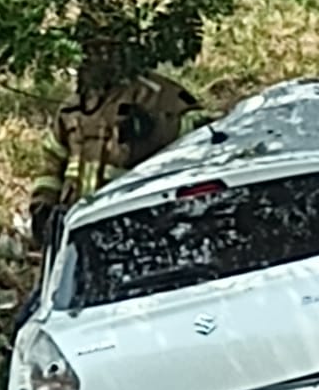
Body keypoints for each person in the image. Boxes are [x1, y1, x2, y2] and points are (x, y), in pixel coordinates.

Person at [29, 56, 200, 247]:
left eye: (104, 48)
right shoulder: (73, 107)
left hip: (135, 224)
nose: (94, 57)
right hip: (77, 229)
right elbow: (52, 163)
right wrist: (43, 203)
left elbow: (207, 131)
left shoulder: (155, 94)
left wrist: (157, 127)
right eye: (89, 49)